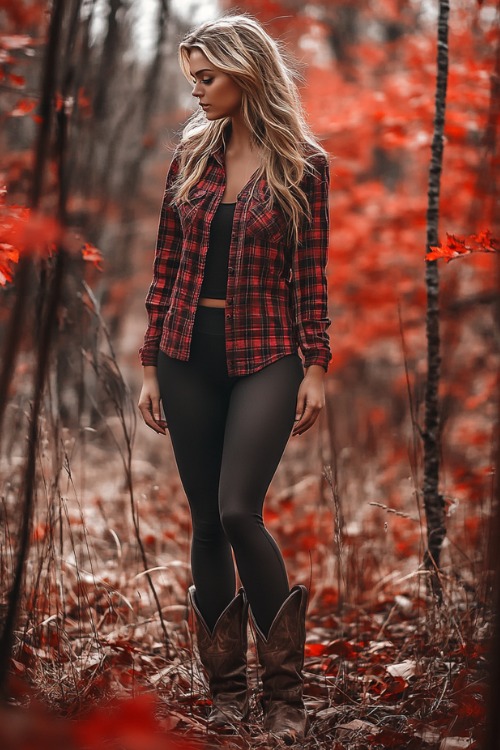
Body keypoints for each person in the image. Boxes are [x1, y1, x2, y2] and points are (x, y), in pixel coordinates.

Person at [137, 13, 331, 742]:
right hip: (187, 350)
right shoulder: (191, 155)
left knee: (239, 509)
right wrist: (152, 362)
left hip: (269, 354)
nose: (198, 93)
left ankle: (284, 698)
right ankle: (225, 694)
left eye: (208, 78)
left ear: (247, 73)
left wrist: (317, 365)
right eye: (192, 81)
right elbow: (165, 266)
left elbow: (309, 276)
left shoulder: (304, 164)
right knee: (207, 524)